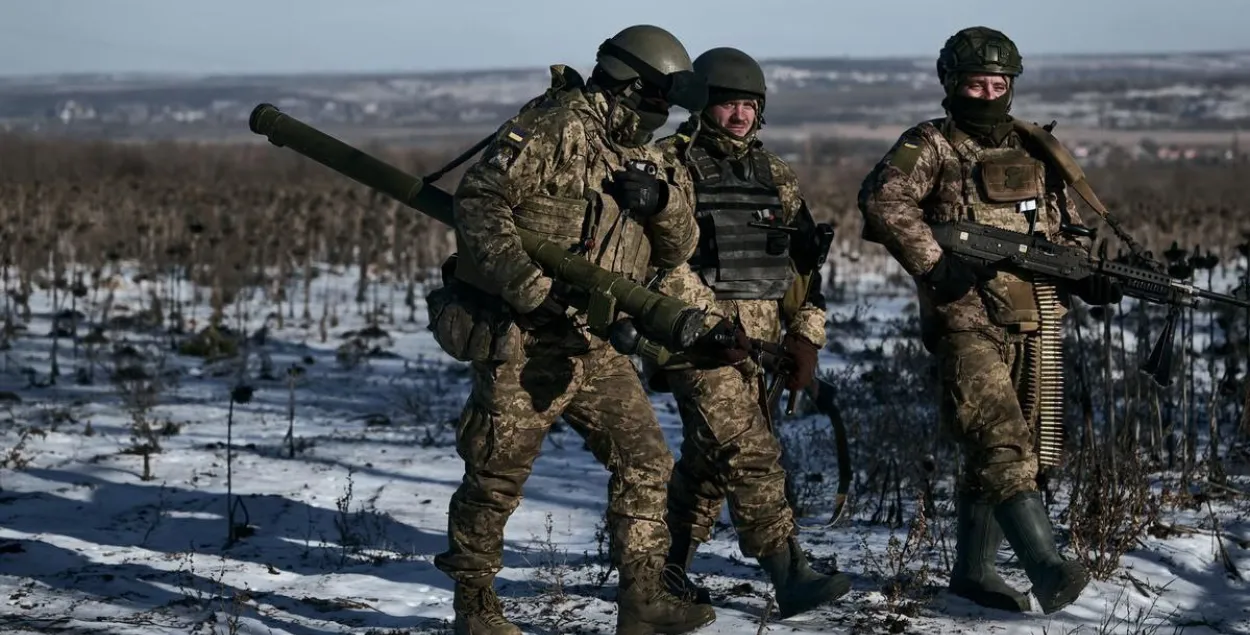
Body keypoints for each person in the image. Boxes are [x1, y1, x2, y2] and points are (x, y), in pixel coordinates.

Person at [430, 24, 735, 635]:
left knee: (647, 463)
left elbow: (678, 248)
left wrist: (662, 203)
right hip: (525, 339)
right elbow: (480, 200)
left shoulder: (641, 150)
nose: (659, 116)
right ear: (628, 85)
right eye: (654, 100)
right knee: (495, 475)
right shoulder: (556, 127)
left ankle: (644, 603)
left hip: (595, 344)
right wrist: (528, 285)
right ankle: (475, 609)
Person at [857, 26, 1116, 615]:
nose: (989, 94)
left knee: (1020, 451)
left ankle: (973, 575)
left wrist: (1088, 277)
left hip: (1037, 318)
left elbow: (1065, 233)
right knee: (1001, 443)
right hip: (966, 319)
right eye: (977, 84)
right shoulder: (933, 145)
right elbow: (882, 200)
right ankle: (1047, 569)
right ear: (952, 84)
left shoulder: (1036, 150)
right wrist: (933, 264)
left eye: (1000, 83)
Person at [645, 46, 851, 619]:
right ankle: (789, 573)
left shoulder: (772, 172)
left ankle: (662, 567)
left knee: (710, 463)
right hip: (695, 340)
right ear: (700, 105)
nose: (739, 115)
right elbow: (661, 262)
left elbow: (805, 269)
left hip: (760, 347)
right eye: (727, 103)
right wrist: (711, 324)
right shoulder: (668, 164)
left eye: (749, 105)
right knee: (749, 452)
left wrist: (805, 337)